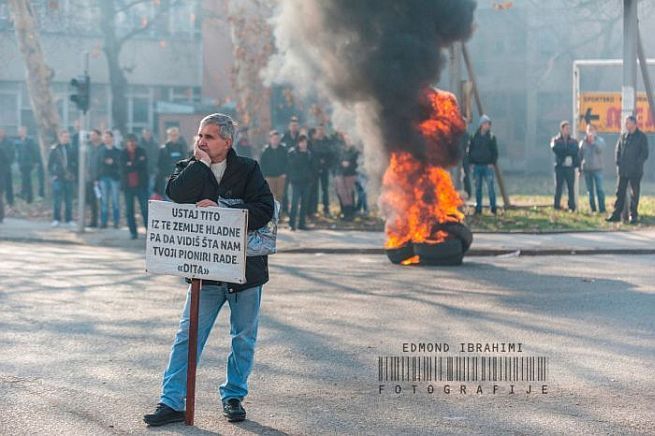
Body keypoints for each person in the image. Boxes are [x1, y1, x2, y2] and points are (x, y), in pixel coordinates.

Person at [143, 113, 274, 427]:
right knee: (187, 337)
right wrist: (199, 165)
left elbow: (264, 210)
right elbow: (175, 195)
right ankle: (171, 402)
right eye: (199, 136)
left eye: (209, 137)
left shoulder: (248, 169)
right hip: (205, 275)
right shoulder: (188, 166)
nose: (201, 141)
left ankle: (233, 396)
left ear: (227, 142)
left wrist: (223, 211)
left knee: (243, 338)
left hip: (245, 273)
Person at [606, 115, 649, 224]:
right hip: (623, 170)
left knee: (634, 194)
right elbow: (618, 149)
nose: (626, 125)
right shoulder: (623, 136)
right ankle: (616, 214)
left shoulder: (641, 137)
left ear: (634, 124)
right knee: (620, 192)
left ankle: (633, 215)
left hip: (635, 171)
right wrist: (618, 162)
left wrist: (636, 164)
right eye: (626, 123)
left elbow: (644, 153)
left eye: (628, 123)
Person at [467, 114, 499, 215]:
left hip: (487, 166)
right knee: (478, 188)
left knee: (490, 188)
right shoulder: (474, 137)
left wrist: (492, 163)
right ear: (481, 125)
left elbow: (495, 152)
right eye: (486, 123)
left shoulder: (491, 137)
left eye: (489, 124)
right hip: (476, 166)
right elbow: (470, 150)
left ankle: (493, 208)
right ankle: (478, 208)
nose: (488, 126)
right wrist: (471, 163)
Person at [120, 134, 149, 239]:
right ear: (126, 143)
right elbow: (123, 168)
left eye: (133, 141)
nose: (132, 144)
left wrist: (131, 164)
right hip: (128, 186)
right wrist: (136, 163)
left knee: (145, 209)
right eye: (130, 142)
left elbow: (144, 165)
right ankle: (133, 232)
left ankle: (149, 231)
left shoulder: (142, 151)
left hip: (141, 185)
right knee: (129, 210)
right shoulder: (123, 153)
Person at [47, 130, 76, 227]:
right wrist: (53, 174)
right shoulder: (55, 149)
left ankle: (69, 219)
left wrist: (73, 173)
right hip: (58, 177)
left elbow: (75, 162)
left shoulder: (71, 148)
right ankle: (56, 219)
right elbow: (50, 164)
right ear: (60, 137)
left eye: (67, 137)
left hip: (69, 177)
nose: (66, 139)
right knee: (57, 200)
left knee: (69, 200)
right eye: (64, 137)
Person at [550, 121, 579, 211]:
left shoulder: (573, 141)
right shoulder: (556, 140)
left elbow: (575, 150)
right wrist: (567, 151)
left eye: (569, 128)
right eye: (566, 128)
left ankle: (571, 206)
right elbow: (556, 149)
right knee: (559, 187)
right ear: (562, 129)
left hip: (570, 167)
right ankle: (557, 205)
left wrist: (565, 150)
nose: (568, 130)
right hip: (560, 167)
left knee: (571, 187)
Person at [286, 134, 314, 230]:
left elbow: (312, 167)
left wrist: (311, 178)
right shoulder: (293, 152)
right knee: (294, 204)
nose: (303, 144)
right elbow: (292, 165)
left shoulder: (309, 153)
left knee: (304, 204)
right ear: (298, 143)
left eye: (305, 142)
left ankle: (302, 224)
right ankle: (291, 224)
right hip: (296, 182)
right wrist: (301, 154)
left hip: (306, 182)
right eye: (302, 142)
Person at [578, 124, 606, 214]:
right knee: (590, 191)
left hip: (598, 169)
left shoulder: (600, 141)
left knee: (600, 189)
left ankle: (602, 209)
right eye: (588, 130)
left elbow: (601, 149)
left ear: (595, 131)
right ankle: (593, 209)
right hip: (587, 169)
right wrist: (580, 169)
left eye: (592, 130)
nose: (590, 132)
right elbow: (579, 156)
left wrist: (593, 142)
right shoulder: (583, 142)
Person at [309, 124, 336, 216]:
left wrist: (326, 161)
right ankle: (314, 209)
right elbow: (311, 154)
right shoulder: (312, 142)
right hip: (314, 169)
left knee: (325, 189)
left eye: (322, 130)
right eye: (319, 130)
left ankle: (326, 209)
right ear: (316, 131)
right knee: (314, 189)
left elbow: (331, 153)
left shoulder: (327, 141)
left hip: (325, 169)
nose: (320, 132)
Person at [97, 130, 121, 229]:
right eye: (104, 137)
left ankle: (116, 222)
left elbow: (120, 164)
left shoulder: (118, 151)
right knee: (104, 201)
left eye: (107, 137)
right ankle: (104, 222)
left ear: (112, 138)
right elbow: (98, 164)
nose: (106, 139)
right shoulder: (101, 151)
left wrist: (113, 162)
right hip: (103, 178)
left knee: (115, 201)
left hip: (115, 178)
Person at [155, 127, 187, 197]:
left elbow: (184, 161)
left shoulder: (181, 147)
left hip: (179, 178)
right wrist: (166, 175)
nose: (174, 137)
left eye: (175, 135)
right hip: (167, 178)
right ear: (168, 136)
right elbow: (159, 164)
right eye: (172, 135)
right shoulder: (164, 148)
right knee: (167, 198)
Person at [334, 132, 359, 221]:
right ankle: (345, 212)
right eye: (347, 139)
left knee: (349, 194)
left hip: (350, 174)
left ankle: (350, 214)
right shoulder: (341, 149)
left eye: (349, 139)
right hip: (340, 173)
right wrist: (341, 164)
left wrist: (349, 164)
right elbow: (337, 160)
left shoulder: (355, 151)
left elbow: (357, 163)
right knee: (342, 194)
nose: (348, 140)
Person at [15, 126, 43, 203]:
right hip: (22, 163)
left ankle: (25, 194)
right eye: (19, 132)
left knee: (26, 179)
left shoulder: (30, 141)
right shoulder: (19, 141)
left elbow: (34, 151)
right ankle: (27, 196)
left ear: (25, 131)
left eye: (21, 131)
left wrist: (35, 162)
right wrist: (19, 162)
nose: (19, 133)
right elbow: (19, 153)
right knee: (26, 180)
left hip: (28, 163)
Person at [259, 130, 288, 202]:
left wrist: (285, 173)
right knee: (270, 196)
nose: (276, 140)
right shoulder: (265, 150)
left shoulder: (283, 149)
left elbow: (287, 162)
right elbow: (262, 164)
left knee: (280, 195)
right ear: (270, 139)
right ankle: (271, 209)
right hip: (269, 177)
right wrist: (265, 175)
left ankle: (279, 209)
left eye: (277, 139)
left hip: (280, 176)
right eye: (274, 139)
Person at [86, 129, 103, 227]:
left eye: (94, 135)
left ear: (99, 136)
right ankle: (93, 221)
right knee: (92, 201)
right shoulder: (88, 147)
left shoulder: (103, 147)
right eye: (91, 135)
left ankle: (103, 221)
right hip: (90, 178)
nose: (92, 137)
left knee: (102, 200)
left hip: (101, 178)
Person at [0, 128, 15, 206]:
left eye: (1, 132)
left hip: (6, 167)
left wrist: (9, 162)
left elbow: (11, 154)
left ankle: (10, 201)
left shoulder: (9, 142)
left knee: (8, 185)